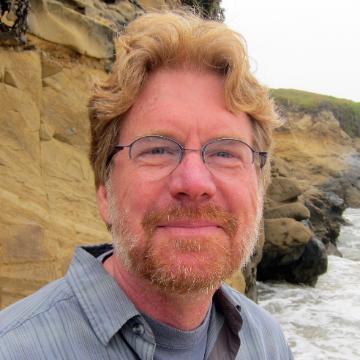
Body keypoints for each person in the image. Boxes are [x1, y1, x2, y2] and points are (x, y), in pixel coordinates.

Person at [0, 9, 293, 359]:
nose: (195, 182)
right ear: (104, 191)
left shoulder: (267, 342)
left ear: (259, 188)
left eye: (226, 153)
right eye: (157, 149)